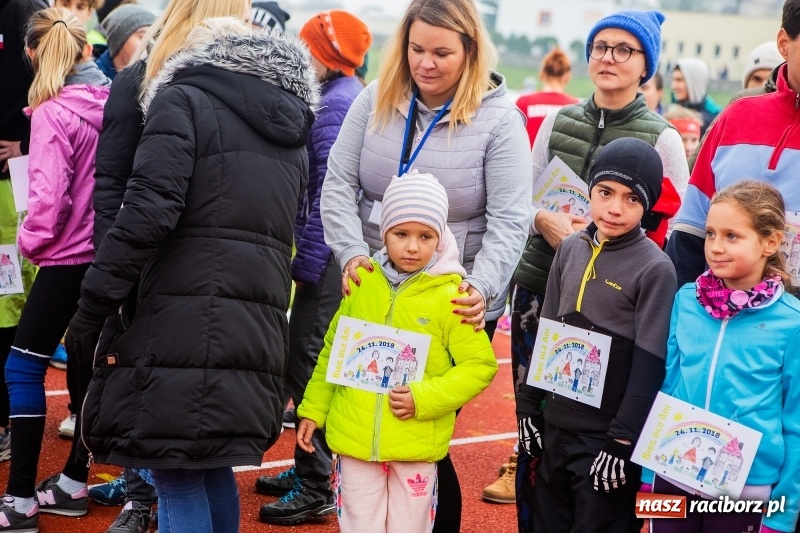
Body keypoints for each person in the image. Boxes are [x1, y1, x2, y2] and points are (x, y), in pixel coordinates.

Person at [64, 14, 317, 533]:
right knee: (209, 464)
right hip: (257, 316)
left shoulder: (181, 99)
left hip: (179, 310)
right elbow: (298, 217)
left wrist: (94, 302)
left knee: (175, 469)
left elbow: (145, 213)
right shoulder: (291, 119)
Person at [320, 0, 531, 530]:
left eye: (442, 52)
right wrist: (350, 254)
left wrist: (479, 287)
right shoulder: (375, 99)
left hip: (446, 301)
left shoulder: (500, 120)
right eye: (416, 49)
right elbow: (338, 185)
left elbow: (510, 218)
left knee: (420, 438)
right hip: (371, 290)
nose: (426, 63)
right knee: (366, 433)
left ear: (471, 52)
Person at [83, 1, 261, 531]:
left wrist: (105, 289)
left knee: (176, 466)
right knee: (208, 461)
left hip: (172, 290)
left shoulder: (165, 86)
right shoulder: (269, 94)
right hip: (246, 294)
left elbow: (131, 199)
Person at [510, 10, 686, 530]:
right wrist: (543, 220)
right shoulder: (559, 120)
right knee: (537, 428)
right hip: (545, 286)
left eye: (624, 50)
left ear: (645, 66)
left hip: (617, 302)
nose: (609, 57)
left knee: (594, 444)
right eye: (601, 47)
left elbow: (670, 227)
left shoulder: (662, 136)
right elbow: (520, 196)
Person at [298, 172, 498, 533]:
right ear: (383, 233)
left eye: (425, 236)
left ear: (440, 239)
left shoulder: (453, 296)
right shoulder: (361, 283)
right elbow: (333, 351)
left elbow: (479, 365)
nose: (412, 247)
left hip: (415, 444)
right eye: (400, 234)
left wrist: (424, 398)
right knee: (360, 526)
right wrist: (313, 408)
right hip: (355, 443)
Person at [517, 137, 677, 533]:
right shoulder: (570, 248)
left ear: (647, 206)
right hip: (556, 427)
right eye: (605, 192)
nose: (615, 208)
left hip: (605, 440)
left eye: (631, 199)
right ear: (590, 190)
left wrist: (622, 440)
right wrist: (528, 405)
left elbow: (650, 360)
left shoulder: (656, 268)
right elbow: (549, 330)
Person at [256, 9, 371, 525]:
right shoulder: (339, 97)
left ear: (323, 55)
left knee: (309, 359)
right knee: (302, 359)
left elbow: (329, 194)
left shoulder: (336, 105)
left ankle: (314, 480)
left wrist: (308, 262)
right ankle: (309, 467)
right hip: (327, 254)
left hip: (326, 258)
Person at [0, 7, 109, 532]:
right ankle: (72, 480)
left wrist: (27, 240)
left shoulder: (50, 113)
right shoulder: (112, 101)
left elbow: (48, 202)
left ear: (30, 55)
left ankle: (19, 500)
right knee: (86, 366)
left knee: (21, 368)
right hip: (107, 256)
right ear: (86, 51)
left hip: (65, 257)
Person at [647, 181, 800, 533]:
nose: (715, 247)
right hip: (672, 472)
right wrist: (648, 470)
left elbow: (796, 424)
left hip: (747, 487)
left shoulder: (791, 323)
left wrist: (782, 514)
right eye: (710, 234)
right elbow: (669, 386)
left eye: (732, 236)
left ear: (770, 242)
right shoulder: (686, 300)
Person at [668, 0, 800, 289]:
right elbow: (690, 227)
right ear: (784, 43)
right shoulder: (738, 116)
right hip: (718, 313)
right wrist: (684, 308)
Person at [0, 0, 48, 464]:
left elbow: (57, 78)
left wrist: (26, 143)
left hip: (13, 180)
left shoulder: (23, 10)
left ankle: (9, 419)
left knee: (9, 294)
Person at [514, 47, 579, 147]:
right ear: (567, 76)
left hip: (528, 161)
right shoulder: (576, 106)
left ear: (542, 73)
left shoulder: (524, 102)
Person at [94, 4, 156, 80]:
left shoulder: (151, 81)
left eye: (154, 38)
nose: (149, 44)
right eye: (142, 37)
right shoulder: (92, 77)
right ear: (119, 39)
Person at [670, 58, 720, 136]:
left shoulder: (714, 120)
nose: (673, 86)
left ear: (694, 83)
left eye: (679, 80)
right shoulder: (672, 109)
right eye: (673, 80)